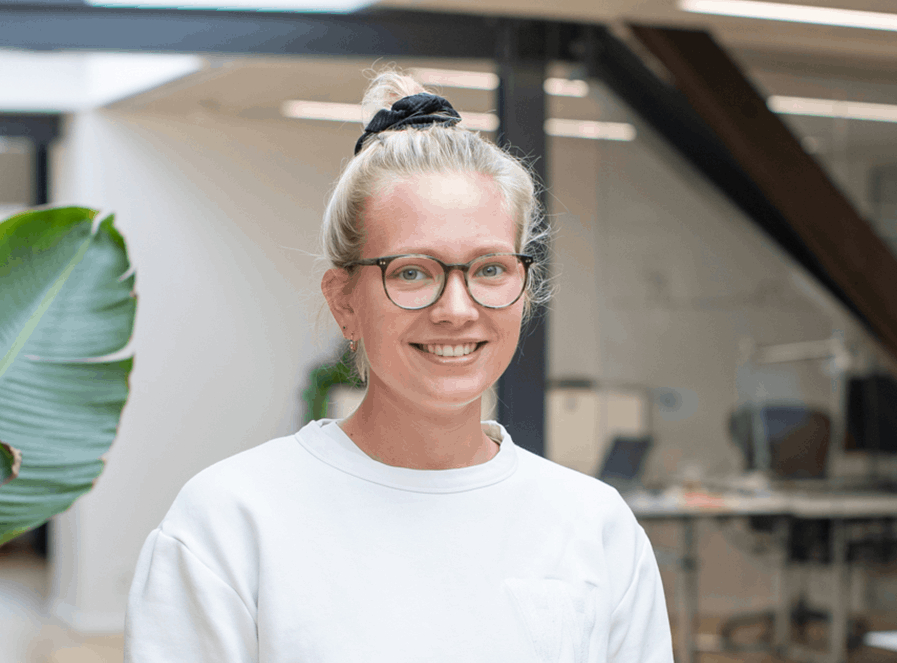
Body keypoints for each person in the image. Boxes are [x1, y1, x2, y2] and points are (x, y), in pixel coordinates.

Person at [125, 70, 673, 662]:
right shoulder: (229, 523)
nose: (457, 310)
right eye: (412, 272)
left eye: (490, 269)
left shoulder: (594, 527)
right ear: (344, 301)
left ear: (524, 288)